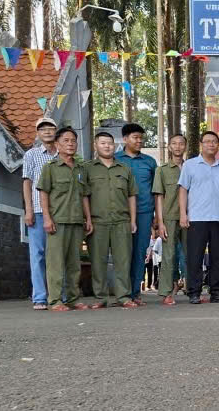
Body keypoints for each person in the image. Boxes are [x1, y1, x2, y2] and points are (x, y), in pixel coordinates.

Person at [37, 127, 91, 311]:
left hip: (76, 221)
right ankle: (55, 300)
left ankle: (73, 299)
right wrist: (46, 218)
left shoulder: (80, 169)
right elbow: (43, 193)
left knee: (74, 263)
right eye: (66, 140)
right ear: (57, 144)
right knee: (55, 262)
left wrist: (88, 218)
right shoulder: (50, 168)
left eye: (73, 141)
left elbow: (84, 195)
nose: (70, 144)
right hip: (57, 221)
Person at [178, 130, 219, 304]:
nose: (211, 144)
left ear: (218, 145)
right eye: (207, 141)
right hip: (197, 217)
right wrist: (183, 213)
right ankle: (194, 292)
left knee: (218, 256)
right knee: (195, 257)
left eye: (214, 142)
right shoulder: (190, 165)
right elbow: (183, 190)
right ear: (201, 144)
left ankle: (216, 292)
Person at [85, 132, 139, 309]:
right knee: (98, 261)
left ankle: (123, 296)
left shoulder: (124, 169)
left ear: (114, 146)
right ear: (96, 145)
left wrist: (132, 220)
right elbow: (84, 196)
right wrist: (87, 219)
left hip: (121, 221)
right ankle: (100, 297)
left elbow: (132, 196)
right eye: (103, 143)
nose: (107, 146)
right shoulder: (88, 169)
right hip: (97, 222)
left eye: (110, 143)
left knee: (123, 261)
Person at [115, 123, 157, 306]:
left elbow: (156, 191)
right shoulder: (115, 160)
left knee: (140, 253)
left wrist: (156, 217)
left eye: (141, 138)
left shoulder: (150, 162)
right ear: (125, 139)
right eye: (135, 137)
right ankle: (121, 293)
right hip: (120, 213)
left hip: (145, 212)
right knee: (122, 254)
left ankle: (134, 293)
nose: (139, 141)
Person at [22, 117, 59, 310]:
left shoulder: (63, 154)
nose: (47, 132)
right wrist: (28, 209)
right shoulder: (31, 155)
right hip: (36, 211)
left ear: (56, 131)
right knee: (38, 255)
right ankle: (39, 297)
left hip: (60, 211)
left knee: (59, 255)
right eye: (42, 129)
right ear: (38, 133)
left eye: (50, 128)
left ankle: (60, 296)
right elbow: (27, 182)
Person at [153, 134, 187, 305]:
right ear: (169, 147)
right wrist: (160, 222)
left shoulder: (192, 167)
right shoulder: (162, 170)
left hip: (191, 217)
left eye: (181, 143)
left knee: (191, 255)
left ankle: (193, 289)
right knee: (169, 255)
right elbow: (159, 197)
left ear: (185, 147)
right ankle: (166, 292)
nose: (178, 146)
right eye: (174, 143)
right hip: (170, 217)